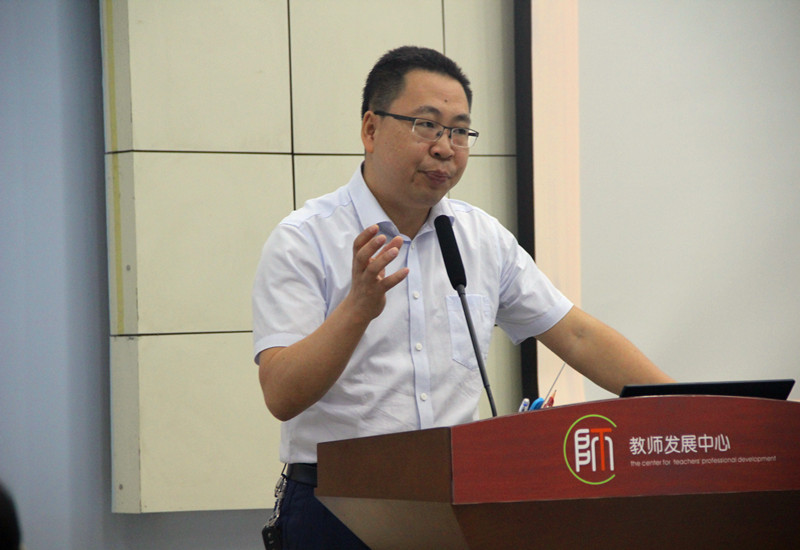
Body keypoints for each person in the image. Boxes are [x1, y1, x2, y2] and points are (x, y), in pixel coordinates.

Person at [252, 45, 673, 549]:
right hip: (338, 507)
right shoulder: (304, 239)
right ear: (370, 129)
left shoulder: (481, 237)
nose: (445, 148)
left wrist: (689, 406)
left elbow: (577, 334)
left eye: (459, 131)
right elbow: (281, 394)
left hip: (454, 500)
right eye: (426, 125)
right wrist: (357, 310)